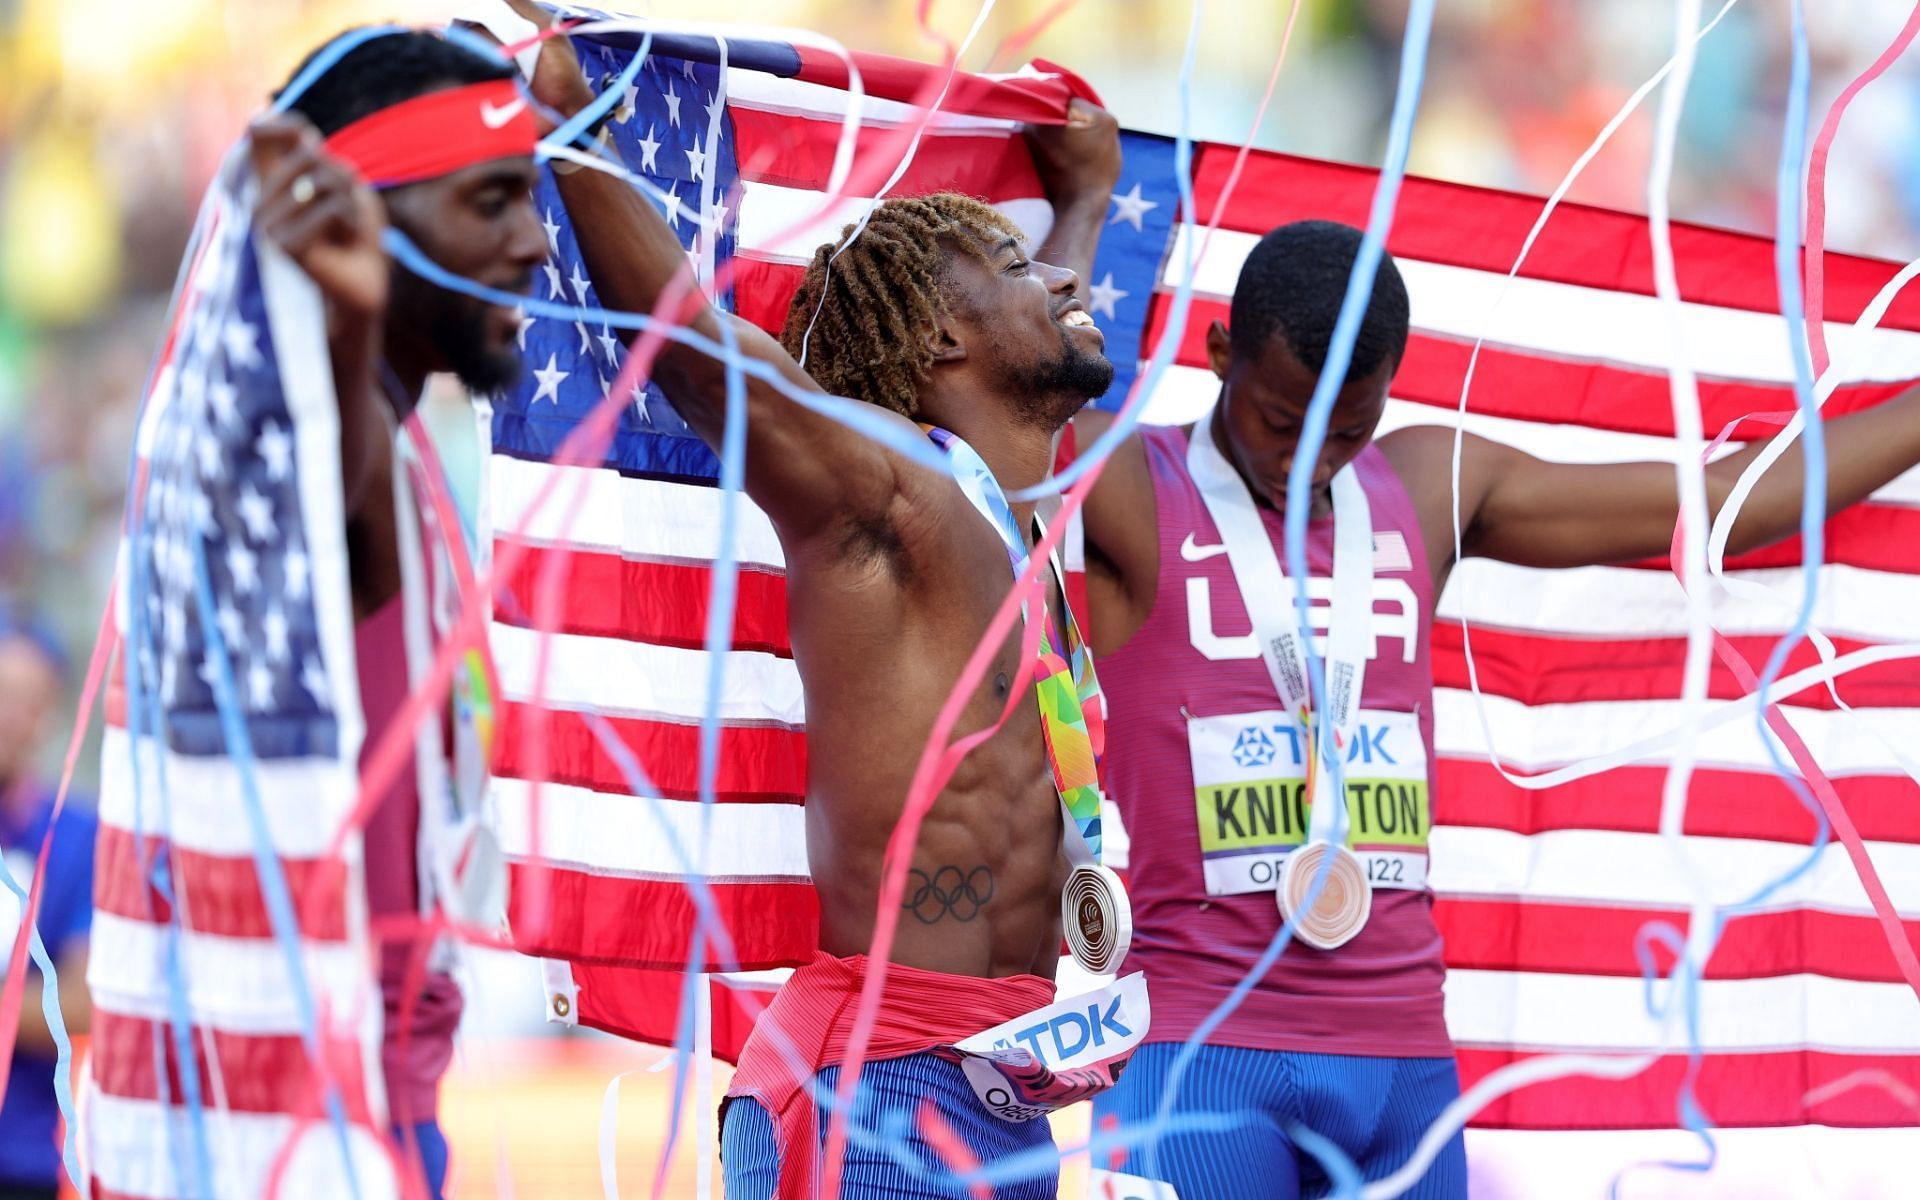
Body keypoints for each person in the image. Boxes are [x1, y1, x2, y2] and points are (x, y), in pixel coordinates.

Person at [1073, 219, 1920, 1199]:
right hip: (1200, 1052)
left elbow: (1736, 501)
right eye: (1280, 420)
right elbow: (984, 408)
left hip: (1401, 1070)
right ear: (1220, 355)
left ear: (1390, 389)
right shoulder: (1130, 481)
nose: (1311, 458)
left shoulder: (1429, 483)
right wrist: (1092, 201)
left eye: (1347, 429)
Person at [499, 5, 1127, 1195]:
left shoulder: (1019, 510)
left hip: (1001, 1087)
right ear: (941, 334)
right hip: (875, 1083)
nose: (1057, 276)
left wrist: (1086, 199)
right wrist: (572, 119)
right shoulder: (886, 490)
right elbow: (696, 354)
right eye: (1017, 262)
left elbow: (1044, 351)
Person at [203, 30, 539, 1198]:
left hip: (379, 1123)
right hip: (314, 1145)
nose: (534, 242)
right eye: (489, 201)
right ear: (353, 223)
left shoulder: (386, 455)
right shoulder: (296, 464)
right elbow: (325, 508)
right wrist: (347, 329)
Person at [0, 615, 94, 1200]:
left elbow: (82, 1005)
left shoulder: (76, 834)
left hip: (23, 1157)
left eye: (23, 701)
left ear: (49, 718)